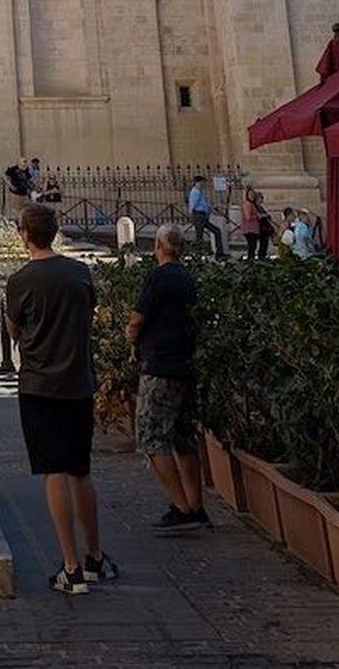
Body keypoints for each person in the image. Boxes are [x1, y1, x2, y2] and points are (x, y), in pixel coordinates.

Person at [3, 201, 118, 593]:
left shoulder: (20, 281)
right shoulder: (80, 272)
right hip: (78, 382)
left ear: (24, 235)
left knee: (54, 471)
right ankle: (95, 557)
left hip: (39, 386)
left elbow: (14, 329)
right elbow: (89, 313)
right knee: (81, 470)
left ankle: (70, 567)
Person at [128, 223, 208, 532]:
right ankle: (196, 506)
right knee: (183, 437)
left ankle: (181, 506)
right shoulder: (188, 277)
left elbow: (138, 317)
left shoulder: (159, 276)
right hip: (185, 362)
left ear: (158, 247)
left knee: (151, 437)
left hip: (160, 365)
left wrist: (131, 336)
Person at [187, 176, 223, 258]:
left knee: (216, 231)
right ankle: (199, 253)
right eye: (202, 182)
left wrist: (210, 210)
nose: (204, 184)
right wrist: (193, 214)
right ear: (197, 182)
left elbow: (206, 203)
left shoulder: (201, 192)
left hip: (203, 215)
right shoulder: (195, 192)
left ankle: (219, 251)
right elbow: (193, 205)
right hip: (199, 215)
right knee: (200, 234)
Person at [239, 187, 263, 263]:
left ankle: (251, 261)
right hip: (249, 228)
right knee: (251, 247)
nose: (252, 196)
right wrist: (258, 216)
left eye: (253, 194)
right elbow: (248, 217)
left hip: (254, 229)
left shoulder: (252, 204)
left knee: (253, 246)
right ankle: (250, 262)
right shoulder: (247, 204)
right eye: (250, 194)